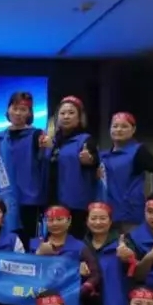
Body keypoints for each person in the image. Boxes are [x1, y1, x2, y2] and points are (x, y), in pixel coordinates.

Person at [29, 205, 99, 305]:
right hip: (39, 302)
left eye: (59, 219)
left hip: (70, 303)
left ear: (69, 221)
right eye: (50, 220)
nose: (55, 223)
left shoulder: (79, 247)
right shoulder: (35, 244)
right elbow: (24, 274)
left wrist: (80, 290)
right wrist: (39, 255)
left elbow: (95, 275)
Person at [40, 96, 98, 237]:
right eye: (63, 113)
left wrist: (90, 160)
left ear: (79, 118)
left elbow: (95, 161)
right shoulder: (50, 141)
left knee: (74, 241)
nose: (66, 116)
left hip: (75, 204)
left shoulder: (85, 140)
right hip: (51, 201)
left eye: (71, 113)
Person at [82, 202, 131, 305]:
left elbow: (136, 271)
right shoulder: (80, 247)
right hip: (88, 304)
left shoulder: (123, 244)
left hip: (115, 303)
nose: (98, 222)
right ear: (87, 221)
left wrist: (128, 258)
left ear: (110, 222)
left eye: (103, 218)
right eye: (94, 218)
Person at [0, 92, 47, 247]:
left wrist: (47, 146)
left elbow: (46, 159)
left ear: (29, 113)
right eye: (15, 108)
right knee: (4, 241)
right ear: (8, 110)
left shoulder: (38, 136)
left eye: (23, 109)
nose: (18, 113)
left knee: (28, 242)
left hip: (29, 199)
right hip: (5, 198)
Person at [99, 112, 153, 231]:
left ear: (133, 130)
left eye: (124, 126)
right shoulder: (102, 156)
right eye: (115, 126)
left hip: (130, 215)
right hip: (105, 214)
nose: (119, 129)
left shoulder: (138, 151)